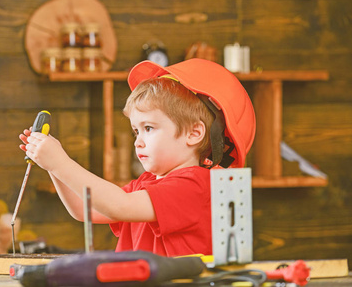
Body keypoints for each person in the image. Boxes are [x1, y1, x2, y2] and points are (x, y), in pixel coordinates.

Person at [19, 58, 256, 257]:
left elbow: (118, 206)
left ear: (194, 134)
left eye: (149, 128)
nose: (138, 141)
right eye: (136, 130)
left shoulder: (197, 185)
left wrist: (59, 161)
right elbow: (83, 209)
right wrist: (49, 163)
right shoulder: (147, 183)